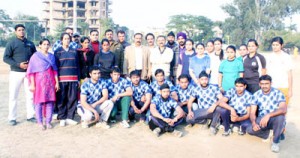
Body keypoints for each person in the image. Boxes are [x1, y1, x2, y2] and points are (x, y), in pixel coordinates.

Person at [3, 24, 36, 126]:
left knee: (30, 95)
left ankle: (30, 116)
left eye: (23, 30)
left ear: (25, 31)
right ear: (15, 32)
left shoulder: (30, 44)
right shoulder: (11, 43)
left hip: (28, 73)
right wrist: (18, 64)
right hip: (15, 73)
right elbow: (6, 58)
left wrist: (30, 65)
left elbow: (35, 57)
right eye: (19, 30)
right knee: (13, 95)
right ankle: (12, 118)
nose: (21, 31)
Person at [246, 75, 287, 153]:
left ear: (271, 83)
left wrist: (268, 115)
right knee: (249, 130)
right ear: (259, 84)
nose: (264, 86)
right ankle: (271, 133)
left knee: (280, 117)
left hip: (275, 118)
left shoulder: (278, 93)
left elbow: (283, 109)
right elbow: (252, 112)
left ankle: (275, 142)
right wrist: (254, 123)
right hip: (262, 119)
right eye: (262, 84)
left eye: (266, 83)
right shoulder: (256, 95)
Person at [27, 38, 59, 130]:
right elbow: (31, 72)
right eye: (44, 44)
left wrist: (57, 82)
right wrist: (32, 84)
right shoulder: (35, 56)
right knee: (39, 103)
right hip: (39, 82)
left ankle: (48, 122)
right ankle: (40, 122)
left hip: (50, 82)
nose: (46, 46)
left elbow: (55, 70)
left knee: (50, 102)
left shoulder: (52, 56)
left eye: (47, 44)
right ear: (40, 45)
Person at [54, 33, 80, 127]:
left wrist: (78, 79)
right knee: (62, 99)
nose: (67, 40)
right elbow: (55, 67)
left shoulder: (74, 51)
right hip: (61, 79)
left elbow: (78, 66)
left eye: (68, 39)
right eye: (65, 39)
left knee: (72, 99)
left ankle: (70, 117)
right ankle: (62, 118)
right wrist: (56, 80)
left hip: (73, 79)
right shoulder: (57, 52)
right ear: (61, 40)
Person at [267, 37, 293, 105]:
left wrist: (290, 90)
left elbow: (289, 75)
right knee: (272, 109)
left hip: (284, 86)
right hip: (272, 87)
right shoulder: (269, 57)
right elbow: (266, 73)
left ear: (281, 45)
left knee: (282, 110)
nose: (275, 47)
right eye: (273, 45)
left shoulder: (287, 57)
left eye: (277, 45)